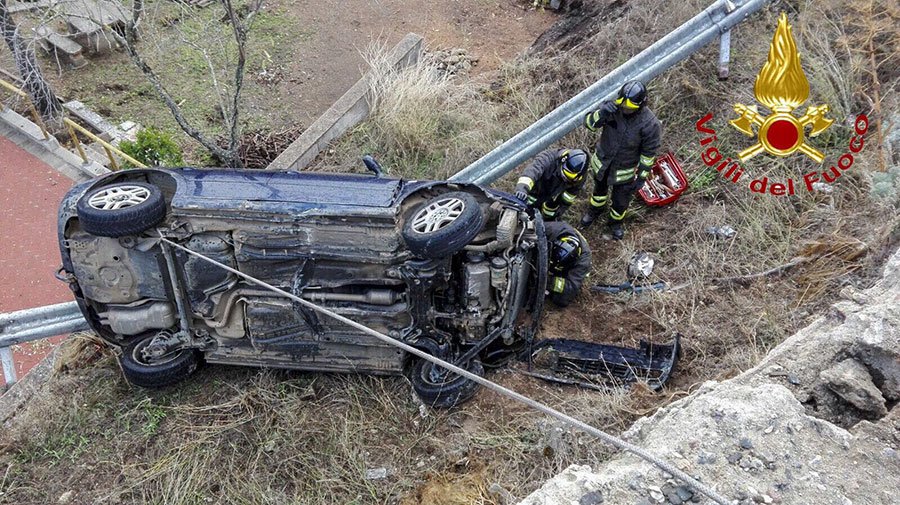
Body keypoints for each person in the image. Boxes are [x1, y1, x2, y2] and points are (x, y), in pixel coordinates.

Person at [581, 81, 661, 240]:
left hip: (624, 172)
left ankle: (615, 224)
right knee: (598, 194)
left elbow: (648, 154)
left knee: (620, 202)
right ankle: (594, 211)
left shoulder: (650, 124)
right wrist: (601, 113)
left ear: (640, 105)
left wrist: (642, 177)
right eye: (622, 105)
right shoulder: (611, 109)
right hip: (603, 165)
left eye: (629, 107)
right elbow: (589, 124)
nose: (624, 109)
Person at [513, 148, 588, 221]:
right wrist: (522, 189)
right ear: (562, 161)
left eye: (569, 178)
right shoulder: (548, 158)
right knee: (524, 215)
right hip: (533, 193)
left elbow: (568, 198)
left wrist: (558, 213)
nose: (564, 178)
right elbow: (532, 171)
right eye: (564, 173)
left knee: (549, 219)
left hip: (551, 200)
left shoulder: (579, 178)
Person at [545, 221, 592, 307]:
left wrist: (547, 281)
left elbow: (571, 287)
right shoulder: (553, 229)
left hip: (564, 273)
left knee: (562, 300)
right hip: (549, 250)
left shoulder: (583, 263)